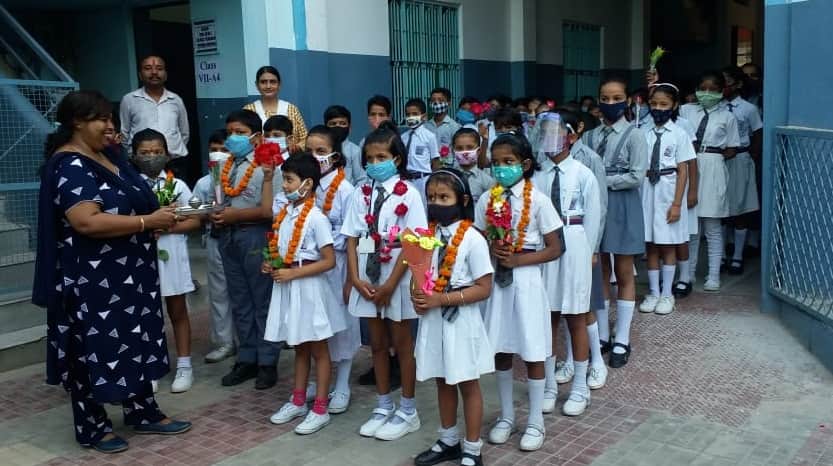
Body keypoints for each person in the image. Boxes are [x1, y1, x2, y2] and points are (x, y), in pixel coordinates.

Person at [34, 90, 190, 453]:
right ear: (76, 122)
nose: (110, 126)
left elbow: (137, 196)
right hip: (93, 280)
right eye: (101, 119)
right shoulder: (70, 164)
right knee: (93, 346)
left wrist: (153, 218)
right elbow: (85, 220)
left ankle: (142, 410)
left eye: (111, 119)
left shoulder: (107, 156)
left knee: (133, 339)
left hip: (129, 275)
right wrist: (145, 221)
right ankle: (92, 425)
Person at [341, 121, 427, 441]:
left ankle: (407, 409)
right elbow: (351, 238)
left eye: (381, 157)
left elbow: (414, 241)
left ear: (397, 160)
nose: (375, 163)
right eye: (370, 158)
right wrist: (354, 277)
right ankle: (382, 403)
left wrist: (391, 284)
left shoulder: (410, 195)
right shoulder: (360, 193)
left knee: (402, 345)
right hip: (366, 275)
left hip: (397, 278)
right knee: (376, 344)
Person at [477, 133, 563, 452]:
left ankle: (536, 421)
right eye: (496, 163)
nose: (501, 169)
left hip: (526, 278)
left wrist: (519, 259)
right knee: (500, 347)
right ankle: (507, 416)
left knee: (533, 349)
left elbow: (556, 247)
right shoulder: (488, 199)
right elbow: (477, 237)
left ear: (525, 165)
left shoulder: (538, 200)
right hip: (498, 281)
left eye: (508, 162)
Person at [411, 169, 494, 466]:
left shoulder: (472, 238)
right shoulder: (426, 236)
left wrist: (442, 299)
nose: (436, 203)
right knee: (441, 379)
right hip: (434, 319)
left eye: (444, 197)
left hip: (462, 318)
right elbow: (418, 275)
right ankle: (448, 440)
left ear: (462, 200)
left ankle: (472, 448)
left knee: (467, 382)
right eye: (432, 197)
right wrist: (418, 297)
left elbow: (484, 287)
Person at [261, 154, 343, 435]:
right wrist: (272, 261)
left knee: (319, 349)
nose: (284, 185)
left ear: (307, 184)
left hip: (308, 288)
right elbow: (284, 250)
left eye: (289, 180)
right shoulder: (285, 214)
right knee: (299, 347)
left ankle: (320, 407)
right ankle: (298, 399)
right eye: (284, 179)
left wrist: (293, 273)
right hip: (289, 286)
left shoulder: (316, 218)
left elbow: (329, 260)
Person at [532, 112, 600, 418]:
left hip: (575, 241)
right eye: (544, 133)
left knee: (577, 313)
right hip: (548, 247)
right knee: (548, 315)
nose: (551, 140)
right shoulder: (537, 177)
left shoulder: (584, 173)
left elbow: (595, 217)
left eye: (556, 133)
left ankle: (580, 387)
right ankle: (548, 386)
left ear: (571, 137)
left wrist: (590, 251)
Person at [582, 75, 649, 369]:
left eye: (617, 98)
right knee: (600, 270)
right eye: (605, 98)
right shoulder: (589, 136)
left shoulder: (635, 135)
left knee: (623, 271)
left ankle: (622, 336)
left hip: (623, 205)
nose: (611, 104)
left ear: (627, 101)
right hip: (596, 207)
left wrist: (602, 180)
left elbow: (637, 175)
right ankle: (602, 334)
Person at [212, 109, 282, 389]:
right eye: (230, 132)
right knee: (239, 300)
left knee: (262, 299)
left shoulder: (269, 165)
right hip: (228, 237)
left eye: (240, 133)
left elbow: (271, 211)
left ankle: (267, 361)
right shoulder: (224, 164)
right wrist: (214, 214)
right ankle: (247, 357)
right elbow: (218, 197)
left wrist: (234, 216)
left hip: (255, 236)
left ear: (256, 137)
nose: (233, 138)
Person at [131, 129, 202, 393]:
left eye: (157, 152)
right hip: (139, 256)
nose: (152, 157)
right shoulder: (129, 184)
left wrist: (166, 227)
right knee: (146, 313)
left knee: (177, 310)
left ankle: (184, 365)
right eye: (145, 153)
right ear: (134, 155)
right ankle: (151, 366)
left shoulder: (178, 185)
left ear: (167, 154)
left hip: (171, 254)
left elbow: (196, 219)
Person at [304, 125, 360, 414]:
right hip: (312, 268)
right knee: (318, 324)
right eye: (309, 151)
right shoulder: (305, 186)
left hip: (337, 264)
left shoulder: (346, 190)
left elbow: (350, 233)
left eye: (321, 152)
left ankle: (343, 383)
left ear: (336, 157)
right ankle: (321, 379)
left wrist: (322, 242)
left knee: (343, 324)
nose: (314, 157)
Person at [554, 109, 609, 390]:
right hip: (554, 247)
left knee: (583, 306)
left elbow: (598, 207)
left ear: (573, 134)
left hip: (582, 244)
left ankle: (596, 361)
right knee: (562, 305)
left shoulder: (589, 161)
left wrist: (593, 247)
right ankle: (571, 359)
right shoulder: (543, 165)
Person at [637, 83, 695, 315]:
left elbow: (683, 171)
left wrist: (677, 204)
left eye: (664, 104)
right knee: (651, 245)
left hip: (669, 192)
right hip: (647, 192)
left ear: (674, 106)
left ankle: (667, 293)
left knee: (668, 244)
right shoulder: (642, 132)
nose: (658, 108)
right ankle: (652, 291)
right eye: (654, 104)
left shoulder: (680, 134)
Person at [679, 71, 740, 293]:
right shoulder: (686, 111)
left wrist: (712, 158)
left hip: (713, 164)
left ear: (721, 91)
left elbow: (733, 147)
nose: (706, 93)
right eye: (702, 88)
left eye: (712, 89)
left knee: (713, 226)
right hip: (688, 164)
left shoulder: (728, 117)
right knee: (692, 228)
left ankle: (713, 275)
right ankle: (689, 273)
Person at [193, 129, 236, 363]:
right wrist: (208, 213)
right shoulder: (204, 183)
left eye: (224, 150)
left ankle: (250, 339)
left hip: (239, 239)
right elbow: (195, 214)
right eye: (214, 150)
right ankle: (224, 341)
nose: (218, 154)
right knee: (219, 292)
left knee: (245, 290)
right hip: (215, 238)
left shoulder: (243, 177)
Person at [721, 66, 763, 276]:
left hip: (740, 158)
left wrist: (749, 156)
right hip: (718, 160)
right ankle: (720, 255)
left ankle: (737, 256)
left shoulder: (748, 109)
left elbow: (757, 134)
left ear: (737, 84)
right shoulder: (715, 107)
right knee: (718, 207)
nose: (723, 87)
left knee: (741, 207)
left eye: (727, 82)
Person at [119, 55, 190, 168]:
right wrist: (134, 155)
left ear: (165, 75)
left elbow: (184, 133)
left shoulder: (176, 99)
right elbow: (124, 133)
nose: (154, 72)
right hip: (141, 162)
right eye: (148, 68)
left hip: (174, 161)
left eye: (159, 68)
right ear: (140, 75)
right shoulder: (129, 100)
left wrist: (171, 153)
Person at [244, 65, 307, 148]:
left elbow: (304, 138)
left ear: (279, 84)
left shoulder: (291, 109)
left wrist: (295, 147)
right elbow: (243, 140)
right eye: (263, 82)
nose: (268, 86)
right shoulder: (248, 110)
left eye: (273, 82)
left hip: (290, 159)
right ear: (257, 85)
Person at [402, 98, 441, 204]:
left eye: (414, 114)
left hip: (423, 179)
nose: (411, 117)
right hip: (407, 180)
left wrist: (435, 183)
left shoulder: (429, 136)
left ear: (423, 116)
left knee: (424, 208)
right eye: (408, 114)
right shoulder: (403, 137)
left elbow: (435, 162)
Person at [324, 105, 366, 185]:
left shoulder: (355, 151)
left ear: (349, 128)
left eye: (342, 123)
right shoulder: (322, 150)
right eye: (333, 124)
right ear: (326, 127)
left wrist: (351, 195)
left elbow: (362, 179)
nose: (337, 126)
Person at [452, 128, 493, 203]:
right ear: (453, 151)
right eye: (459, 148)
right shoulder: (449, 178)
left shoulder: (487, 181)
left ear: (478, 151)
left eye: (469, 147)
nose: (464, 152)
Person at [425, 87, 462, 167]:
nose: (436, 103)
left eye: (440, 100)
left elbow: (457, 151)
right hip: (428, 167)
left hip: (447, 166)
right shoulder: (425, 127)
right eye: (433, 100)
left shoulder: (454, 126)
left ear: (449, 103)